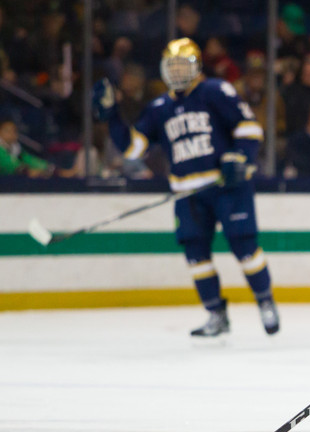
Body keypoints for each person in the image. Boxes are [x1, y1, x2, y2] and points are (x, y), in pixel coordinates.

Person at [92, 38, 280, 338]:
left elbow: (249, 128)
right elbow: (133, 149)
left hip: (227, 185)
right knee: (196, 256)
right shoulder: (159, 107)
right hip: (188, 194)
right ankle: (216, 313)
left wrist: (241, 158)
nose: (178, 72)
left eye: (183, 65)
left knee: (245, 248)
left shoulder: (215, 91)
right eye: (172, 66)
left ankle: (265, 300)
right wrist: (113, 117)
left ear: (197, 66)